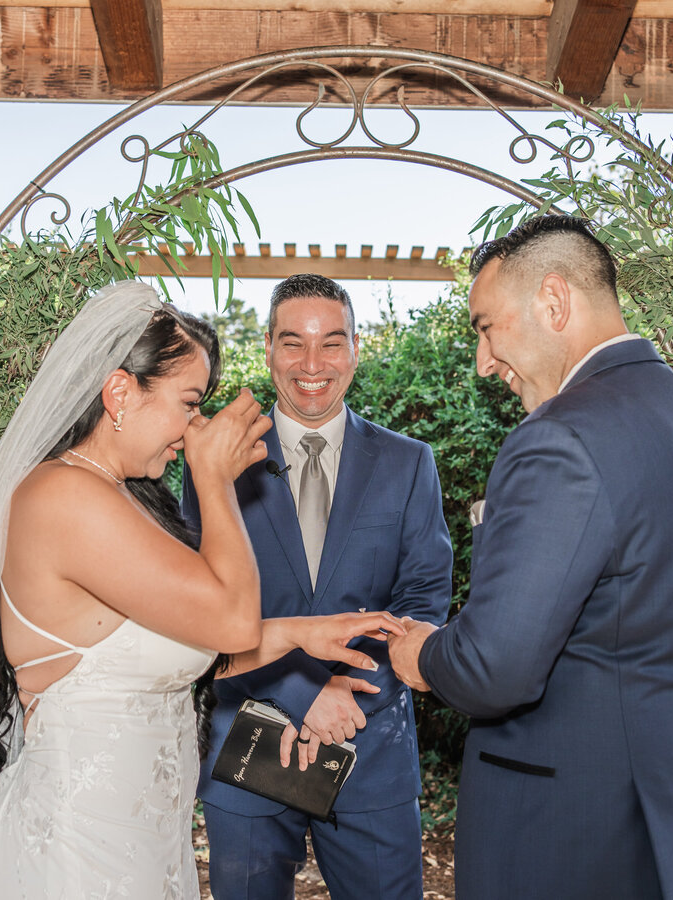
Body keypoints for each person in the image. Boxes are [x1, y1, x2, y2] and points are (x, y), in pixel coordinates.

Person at [0, 281, 402, 899]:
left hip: (140, 841)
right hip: (78, 849)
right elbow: (229, 619)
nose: (192, 427)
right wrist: (215, 479)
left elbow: (193, 647)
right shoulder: (63, 497)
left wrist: (304, 634)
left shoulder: (119, 500)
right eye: (188, 403)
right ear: (121, 392)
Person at [388, 216, 673, 899]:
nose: (483, 362)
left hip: (581, 833)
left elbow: (491, 668)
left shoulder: (560, 438)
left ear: (554, 301)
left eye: (486, 327)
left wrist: (421, 654)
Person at [183, 274, 452, 900]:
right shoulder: (214, 462)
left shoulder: (410, 463)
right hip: (247, 747)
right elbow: (197, 607)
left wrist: (348, 694)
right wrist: (305, 692)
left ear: (356, 349)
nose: (313, 364)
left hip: (371, 744)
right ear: (269, 350)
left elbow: (422, 603)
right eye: (292, 343)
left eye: (332, 343)